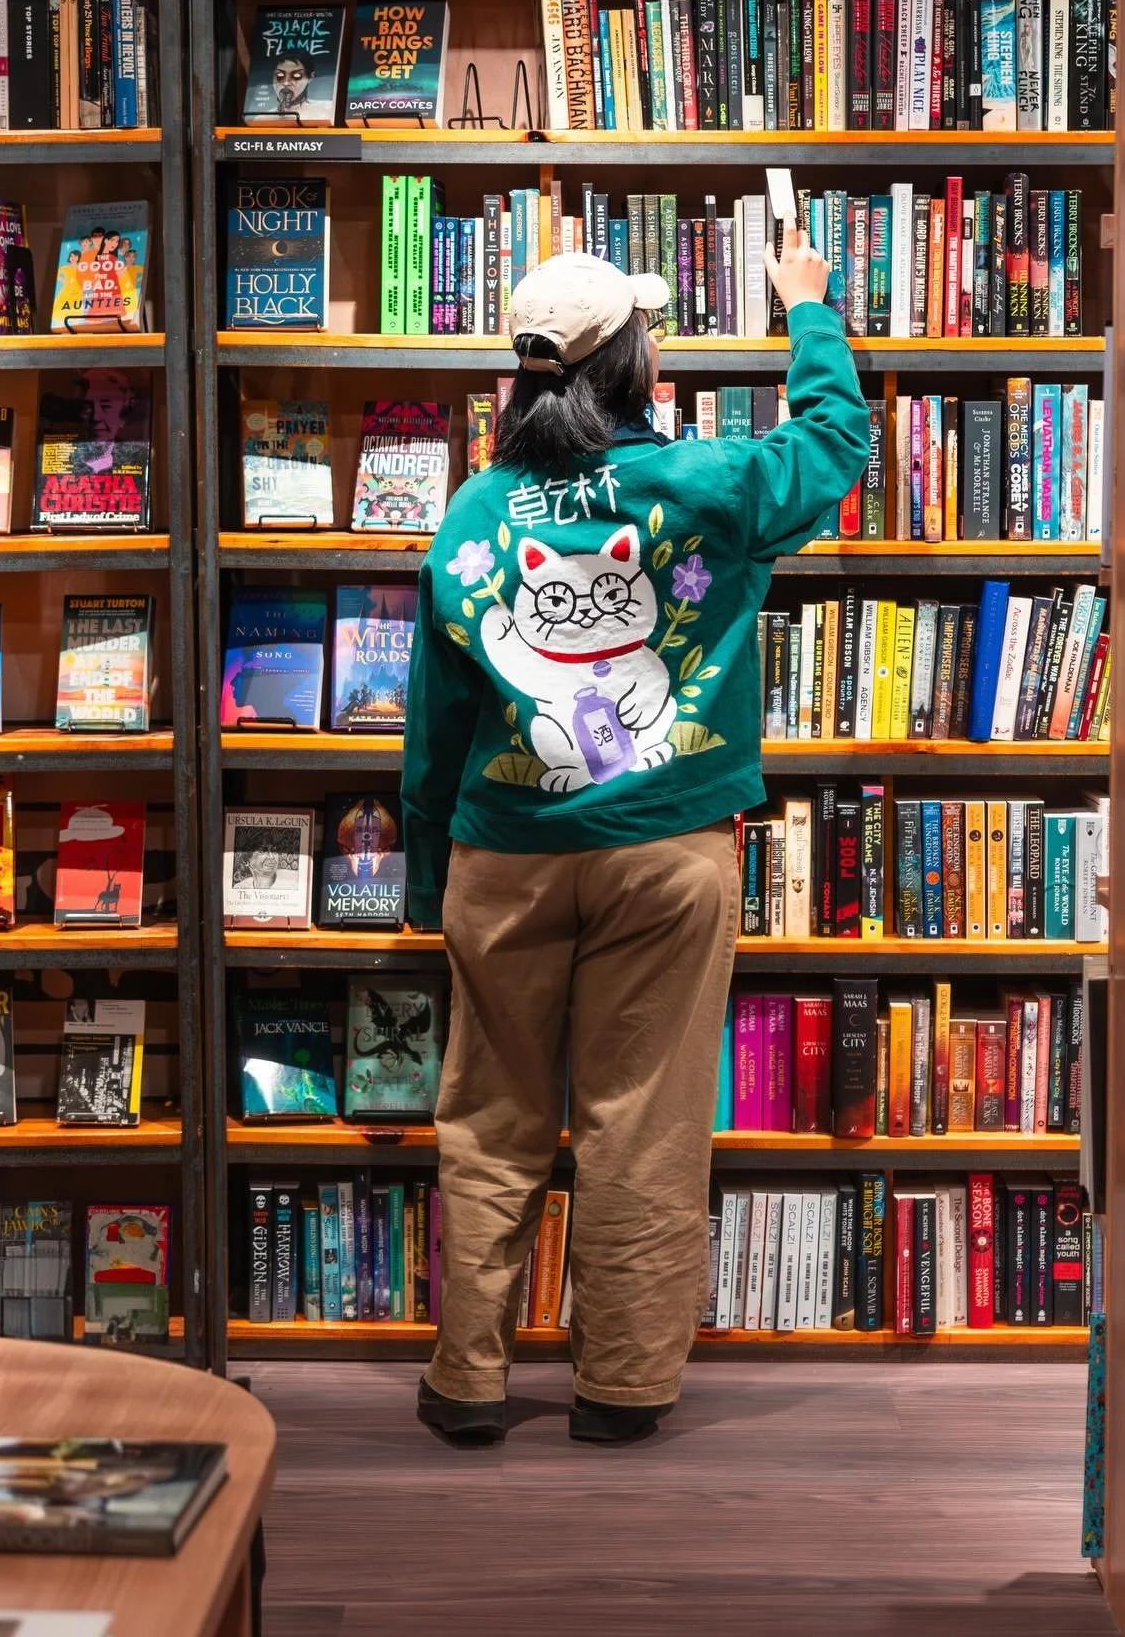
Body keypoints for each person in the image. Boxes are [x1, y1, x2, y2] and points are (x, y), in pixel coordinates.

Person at [402, 228, 870, 1446]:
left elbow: (435, 725)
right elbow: (832, 447)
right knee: (643, 1119)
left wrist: (422, 875)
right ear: (637, 367)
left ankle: (467, 1379)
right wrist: (808, 311)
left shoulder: (470, 514)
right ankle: (620, 1388)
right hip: (669, 852)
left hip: (501, 853)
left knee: (489, 1115)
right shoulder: (702, 484)